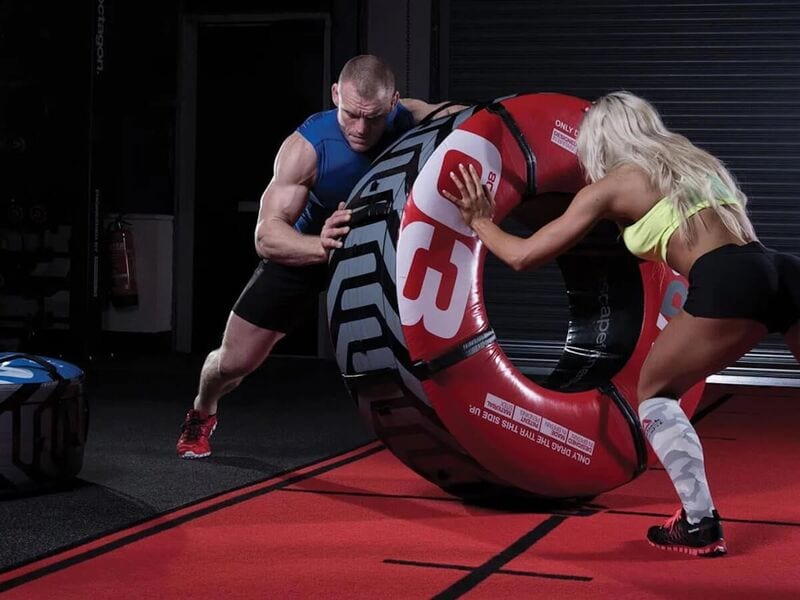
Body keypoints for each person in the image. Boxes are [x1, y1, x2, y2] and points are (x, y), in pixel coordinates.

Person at [442, 90, 800, 556]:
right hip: (781, 269)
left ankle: (700, 523)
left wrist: (481, 221)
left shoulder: (610, 187)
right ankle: (698, 522)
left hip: (728, 279)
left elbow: (523, 256)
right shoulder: (696, 162)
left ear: (598, 143)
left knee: (654, 393)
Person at [177, 54, 465, 459]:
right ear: (335, 96)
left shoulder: (409, 117)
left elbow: (469, 117)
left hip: (376, 249)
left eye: (374, 118)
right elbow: (266, 235)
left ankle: (455, 431)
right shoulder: (308, 147)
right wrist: (321, 246)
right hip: (307, 249)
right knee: (234, 362)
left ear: (394, 102)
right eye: (351, 115)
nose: (361, 129)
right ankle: (203, 408)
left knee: (428, 338)